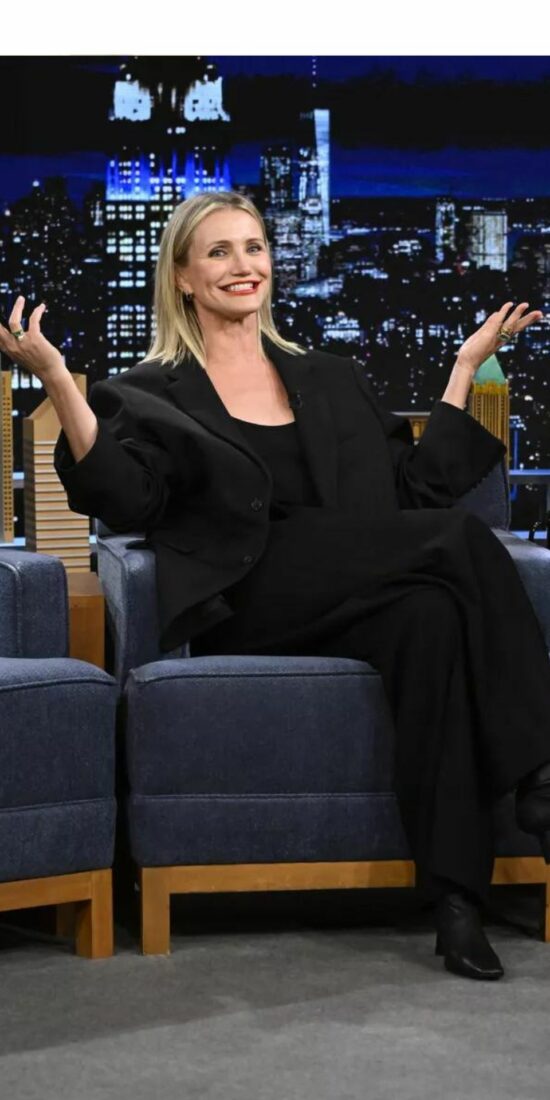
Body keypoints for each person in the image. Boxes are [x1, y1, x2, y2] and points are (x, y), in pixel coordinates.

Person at [2, 189, 550, 983]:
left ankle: (457, 900)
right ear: (183, 276)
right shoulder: (147, 390)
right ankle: (541, 776)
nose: (243, 265)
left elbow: (414, 494)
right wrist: (58, 379)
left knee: (431, 616)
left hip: (351, 591)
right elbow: (127, 500)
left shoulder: (331, 376)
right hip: (249, 596)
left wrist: (464, 368)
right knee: (463, 540)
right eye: (219, 251)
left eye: (254, 247)